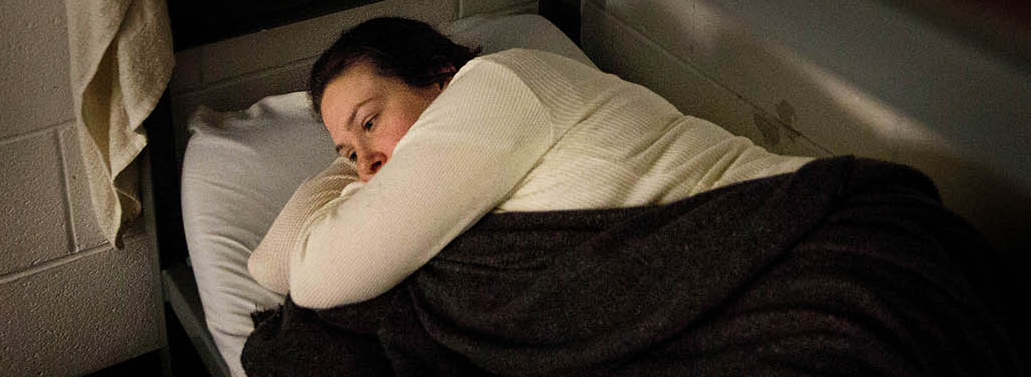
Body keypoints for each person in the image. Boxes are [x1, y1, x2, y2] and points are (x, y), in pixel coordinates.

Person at [247, 16, 813, 309]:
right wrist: (359, 157)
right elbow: (270, 268)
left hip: (790, 234)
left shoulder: (496, 87)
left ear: (439, 77)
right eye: (346, 153)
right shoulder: (456, 161)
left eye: (370, 122)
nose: (364, 163)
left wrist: (355, 176)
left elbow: (320, 277)